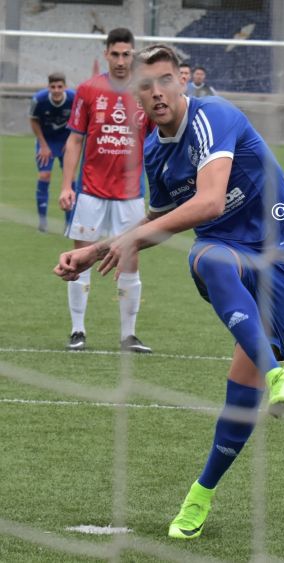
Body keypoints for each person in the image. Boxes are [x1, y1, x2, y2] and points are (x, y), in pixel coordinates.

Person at [53, 43, 284, 540]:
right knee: (207, 255)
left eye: (165, 80)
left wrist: (124, 241)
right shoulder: (154, 150)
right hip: (226, 257)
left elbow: (210, 202)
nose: (156, 92)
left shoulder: (214, 117)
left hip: (282, 259)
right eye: (145, 86)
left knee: (239, 399)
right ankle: (277, 377)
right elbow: (160, 219)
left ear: (182, 82)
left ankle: (203, 489)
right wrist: (94, 250)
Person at [58, 28, 152, 353]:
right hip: (91, 193)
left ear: (134, 55)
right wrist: (66, 185)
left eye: (127, 54)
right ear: (106, 54)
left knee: (130, 261)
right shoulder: (87, 90)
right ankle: (77, 331)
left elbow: (156, 143)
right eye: (116, 54)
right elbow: (74, 140)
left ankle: (128, 335)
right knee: (79, 259)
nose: (122, 60)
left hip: (131, 195)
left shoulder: (145, 91)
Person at [29, 71, 76, 233]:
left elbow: (79, 119)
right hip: (46, 142)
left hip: (66, 143)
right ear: (48, 87)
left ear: (65, 87)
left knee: (70, 179)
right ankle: (42, 222)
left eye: (59, 86)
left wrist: (71, 141)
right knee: (44, 175)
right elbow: (33, 120)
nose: (56, 90)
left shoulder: (73, 98)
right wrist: (43, 145)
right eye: (53, 87)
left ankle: (69, 224)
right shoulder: (39, 100)